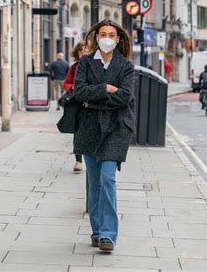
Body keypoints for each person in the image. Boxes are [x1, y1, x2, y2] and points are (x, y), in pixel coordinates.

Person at [73, 18, 135, 252]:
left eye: (111, 34)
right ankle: (97, 231)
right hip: (89, 129)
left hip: (117, 128)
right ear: (96, 37)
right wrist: (106, 89)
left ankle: (109, 235)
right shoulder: (86, 63)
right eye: (103, 34)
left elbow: (125, 97)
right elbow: (79, 92)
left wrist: (94, 99)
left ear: (117, 38)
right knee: (95, 182)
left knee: (108, 178)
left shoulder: (126, 66)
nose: (107, 38)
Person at [63, 41, 86, 173]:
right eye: (81, 51)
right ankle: (78, 161)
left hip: (91, 105)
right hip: (77, 104)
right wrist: (72, 87)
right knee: (77, 133)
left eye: (86, 51)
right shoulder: (74, 67)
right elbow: (66, 83)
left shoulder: (96, 66)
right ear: (77, 53)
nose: (83, 53)